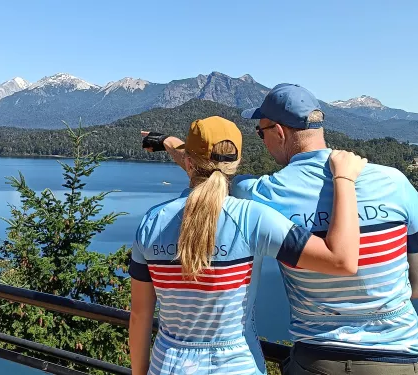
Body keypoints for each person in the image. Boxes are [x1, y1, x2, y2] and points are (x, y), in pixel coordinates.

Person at [149, 84, 418, 374]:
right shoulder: (395, 182)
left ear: (279, 132)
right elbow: (416, 284)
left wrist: (170, 143)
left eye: (260, 133)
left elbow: (207, 170)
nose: (262, 141)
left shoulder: (262, 194)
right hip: (397, 357)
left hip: (315, 361)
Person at [129, 116, 366, 375]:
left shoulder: (152, 221)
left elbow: (140, 316)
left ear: (187, 163)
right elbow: (341, 260)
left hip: (167, 366)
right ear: (237, 163)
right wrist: (344, 179)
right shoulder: (251, 218)